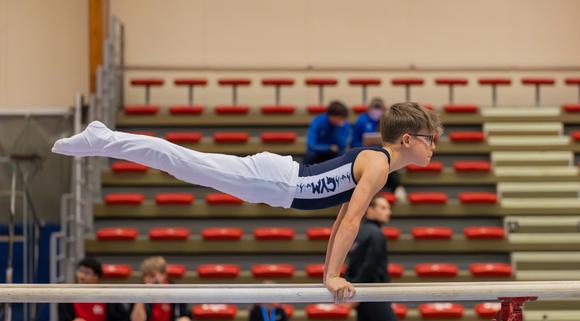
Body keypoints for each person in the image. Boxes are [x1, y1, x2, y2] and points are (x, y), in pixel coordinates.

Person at [52, 102, 442, 303]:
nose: (434, 146)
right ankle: (102, 138)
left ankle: (104, 139)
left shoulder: (380, 166)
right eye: (430, 138)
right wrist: (331, 276)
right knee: (180, 162)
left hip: (275, 186)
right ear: (407, 139)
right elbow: (353, 222)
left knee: (182, 165)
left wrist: (328, 275)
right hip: (274, 180)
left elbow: (342, 222)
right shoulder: (378, 163)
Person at [322, 195, 400, 321]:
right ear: (371, 210)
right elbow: (369, 265)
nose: (388, 212)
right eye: (383, 208)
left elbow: (352, 263)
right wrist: (357, 292)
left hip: (362, 290)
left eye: (388, 208)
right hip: (373, 292)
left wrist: (353, 288)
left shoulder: (360, 232)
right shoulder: (376, 234)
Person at [350, 98, 405, 202]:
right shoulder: (362, 121)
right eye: (374, 109)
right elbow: (354, 142)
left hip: (382, 152)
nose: (376, 113)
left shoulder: (387, 122)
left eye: (379, 110)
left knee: (390, 160)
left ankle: (397, 187)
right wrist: (363, 145)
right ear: (369, 109)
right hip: (364, 152)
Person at [303, 100, 351, 165]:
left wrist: (339, 128)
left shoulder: (343, 125)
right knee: (310, 154)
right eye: (339, 118)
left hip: (333, 154)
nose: (342, 120)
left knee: (342, 154)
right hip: (318, 152)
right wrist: (328, 148)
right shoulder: (318, 121)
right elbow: (311, 144)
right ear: (331, 116)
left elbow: (342, 145)